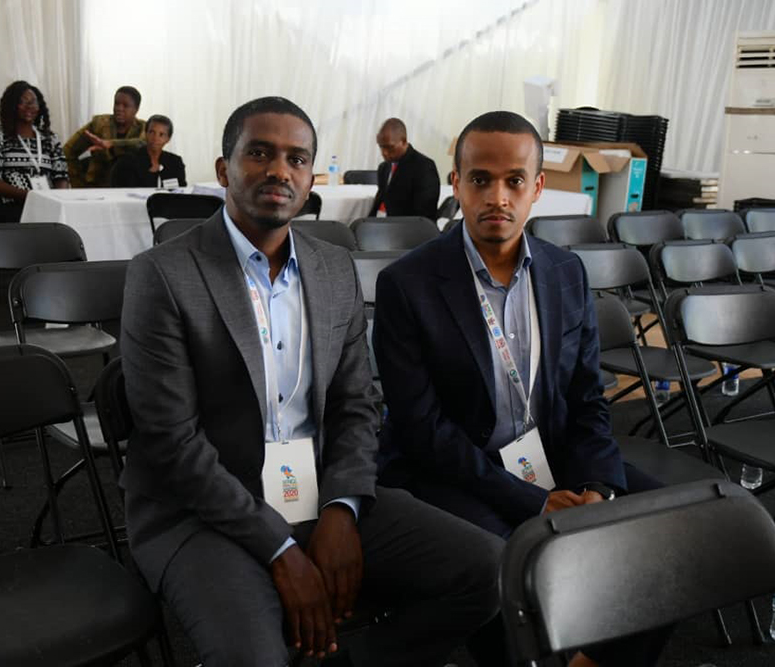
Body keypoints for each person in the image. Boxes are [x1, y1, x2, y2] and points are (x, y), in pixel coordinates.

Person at [119, 96, 503, 666]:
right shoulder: (163, 275)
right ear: (223, 170)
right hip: (201, 511)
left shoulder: (333, 268)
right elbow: (173, 445)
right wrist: (280, 548)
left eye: (297, 159)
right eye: (260, 154)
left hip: (319, 489)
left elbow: (357, 404)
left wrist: (342, 508)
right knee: (254, 658)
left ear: (310, 180)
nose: (280, 170)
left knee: (490, 572)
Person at [373, 111, 667, 666]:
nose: (497, 197)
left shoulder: (565, 272)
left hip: (548, 455)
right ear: (456, 184)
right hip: (452, 471)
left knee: (667, 532)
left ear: (537, 187)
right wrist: (535, 502)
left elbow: (586, 399)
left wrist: (597, 488)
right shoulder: (407, 284)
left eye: (514, 181)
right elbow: (423, 430)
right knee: (513, 572)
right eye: (480, 179)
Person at [0, 80, 68, 223]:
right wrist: (31, 197)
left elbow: (61, 177)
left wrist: (57, 200)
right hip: (7, 205)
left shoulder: (50, 139)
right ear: (11, 106)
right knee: (37, 219)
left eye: (33, 102)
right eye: (22, 102)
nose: (29, 106)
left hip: (45, 204)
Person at [63, 85, 146, 187]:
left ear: (136, 109)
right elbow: (68, 151)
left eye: (125, 105)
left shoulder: (143, 128)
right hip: (97, 187)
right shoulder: (99, 124)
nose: (119, 109)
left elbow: (142, 143)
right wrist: (78, 184)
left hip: (130, 187)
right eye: (116, 103)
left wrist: (111, 143)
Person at [369, 118, 440, 220]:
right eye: (381, 147)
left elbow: (425, 213)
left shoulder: (424, 167)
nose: (384, 152)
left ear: (404, 141)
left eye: (390, 147)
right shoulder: (384, 168)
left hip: (407, 226)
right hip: (381, 222)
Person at [110, 114, 187, 188]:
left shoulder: (175, 162)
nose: (155, 138)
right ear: (146, 133)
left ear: (168, 139)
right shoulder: (127, 162)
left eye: (161, 134)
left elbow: (182, 191)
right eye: (152, 132)